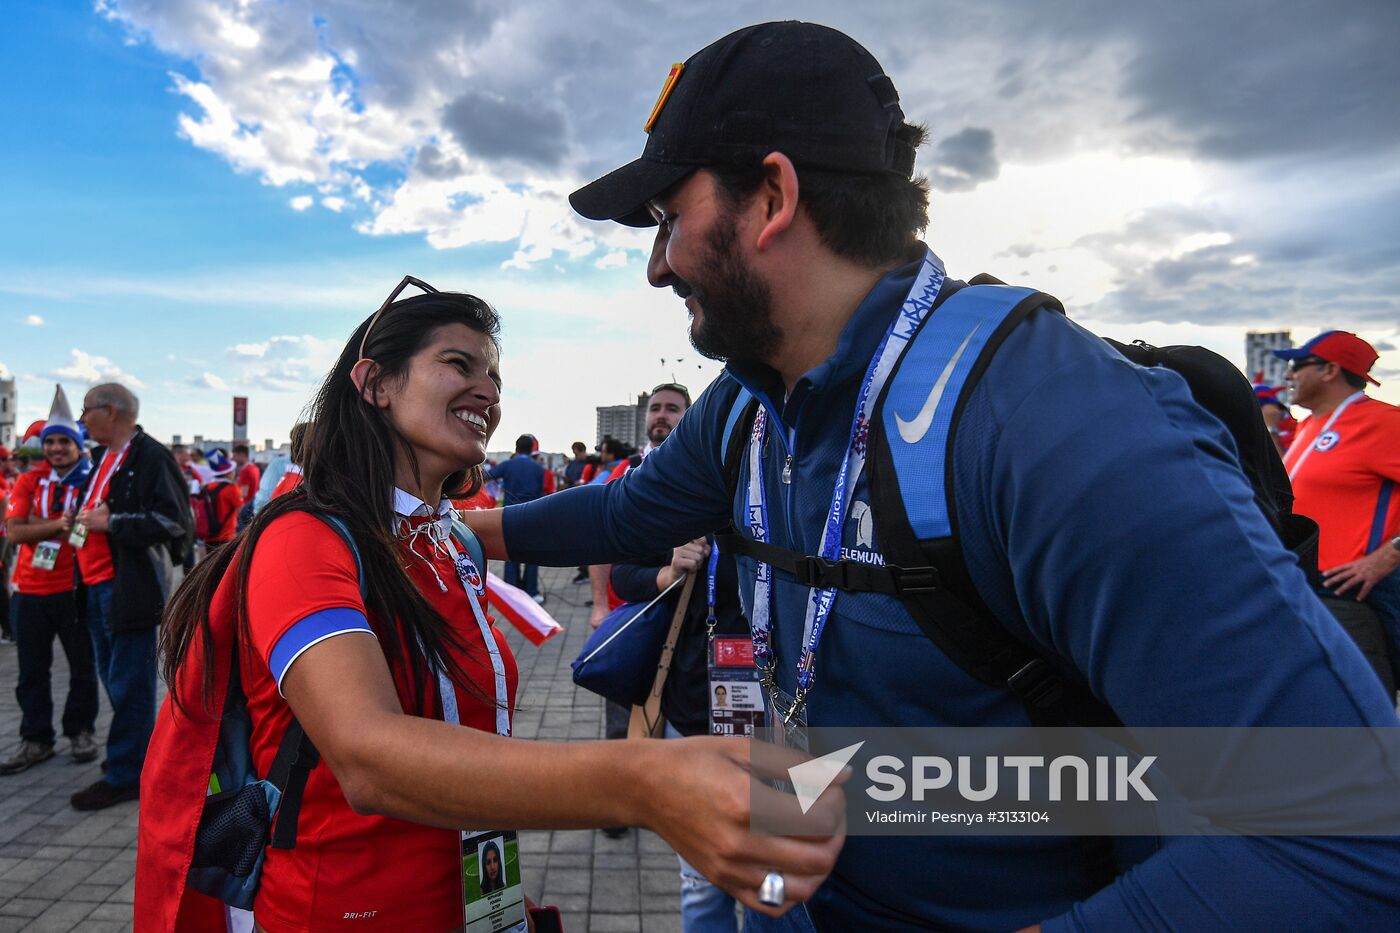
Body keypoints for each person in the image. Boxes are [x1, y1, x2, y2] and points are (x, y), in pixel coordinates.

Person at [463, 21, 1400, 930]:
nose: (658, 267)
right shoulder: (747, 400)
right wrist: (441, 532)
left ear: (773, 196)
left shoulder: (1048, 417)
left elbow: (1345, 829)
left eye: (671, 220)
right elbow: (630, 512)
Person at [135, 277, 842, 932]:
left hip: (471, 900)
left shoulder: (438, 537)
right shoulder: (302, 539)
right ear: (374, 383)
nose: (488, 392)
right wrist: (645, 782)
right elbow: (367, 755)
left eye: (496, 377)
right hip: (347, 908)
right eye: (458, 364)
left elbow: (606, 515)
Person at [71, 381, 191, 811]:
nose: (82, 419)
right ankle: (132, 757)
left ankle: (126, 774)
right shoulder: (103, 456)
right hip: (96, 585)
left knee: (130, 683)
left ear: (111, 411)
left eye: (87, 410)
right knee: (114, 677)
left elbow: (174, 522)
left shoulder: (150, 457)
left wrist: (114, 522)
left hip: (128, 588)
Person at [1276, 331, 1400, 684]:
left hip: (1348, 595)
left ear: (1330, 370)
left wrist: (1389, 554)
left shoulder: (1383, 421)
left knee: (1361, 711)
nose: (1288, 375)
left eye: (1297, 364)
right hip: (1304, 590)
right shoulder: (1310, 425)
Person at [0, 389, 98, 774]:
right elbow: (15, 533)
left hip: (74, 591)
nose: (56, 448)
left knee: (82, 668)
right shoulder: (29, 481)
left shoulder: (90, 482)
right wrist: (58, 525)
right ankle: (35, 738)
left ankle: (81, 731)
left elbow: (88, 534)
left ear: (76, 445)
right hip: (29, 591)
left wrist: (40, 526)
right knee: (31, 672)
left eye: (63, 442)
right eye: (50, 442)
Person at [485, 434, 547, 603]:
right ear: (532, 449)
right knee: (532, 556)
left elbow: (486, 476)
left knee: (510, 553)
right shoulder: (538, 468)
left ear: (516, 448)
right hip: (532, 514)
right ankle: (531, 592)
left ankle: (511, 592)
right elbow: (541, 492)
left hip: (510, 515)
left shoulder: (508, 465)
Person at [199, 448, 243, 552]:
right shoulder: (232, 488)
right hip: (226, 535)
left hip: (208, 535)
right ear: (228, 473)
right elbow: (240, 509)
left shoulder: (206, 487)